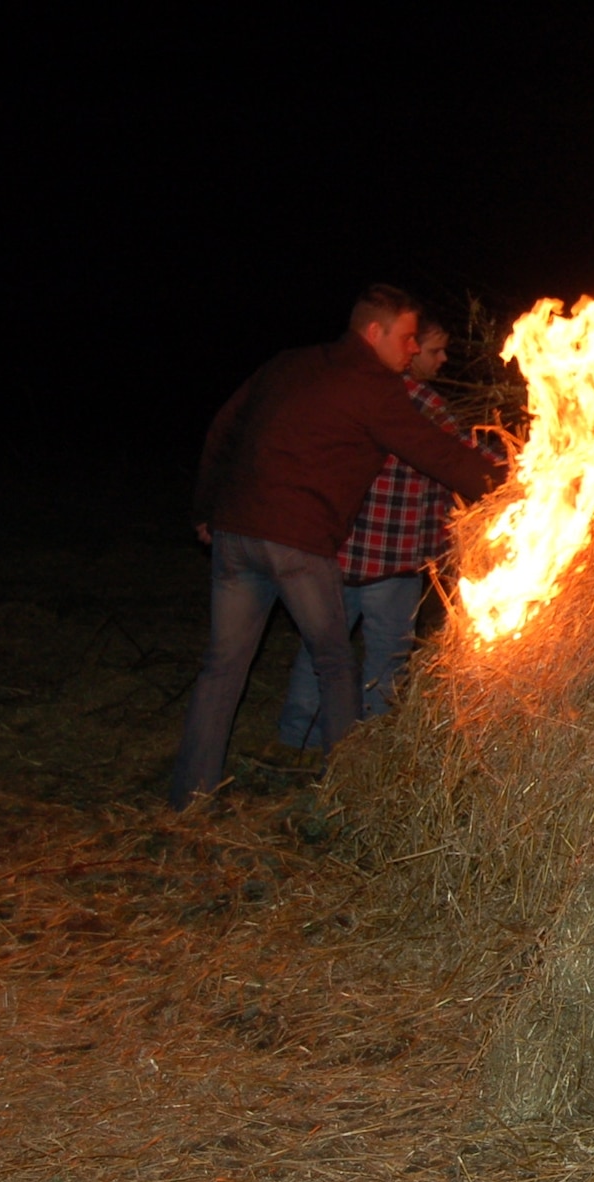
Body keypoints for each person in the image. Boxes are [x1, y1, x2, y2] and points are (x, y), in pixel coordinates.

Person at [170, 285, 506, 810]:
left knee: (222, 665)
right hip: (297, 543)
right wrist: (508, 483)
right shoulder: (373, 385)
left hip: (236, 532)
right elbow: (435, 452)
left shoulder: (289, 362)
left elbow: (224, 427)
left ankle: (189, 796)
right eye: (407, 338)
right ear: (374, 333)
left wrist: (207, 510)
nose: (413, 349)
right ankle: (348, 794)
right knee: (334, 661)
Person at [272, 314, 502, 749]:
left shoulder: (357, 394)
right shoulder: (421, 403)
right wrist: (521, 468)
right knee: (387, 657)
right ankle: (371, 748)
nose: (436, 357)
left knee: (320, 651)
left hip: (341, 552)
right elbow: (462, 455)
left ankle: (297, 740)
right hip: (393, 557)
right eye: (429, 348)